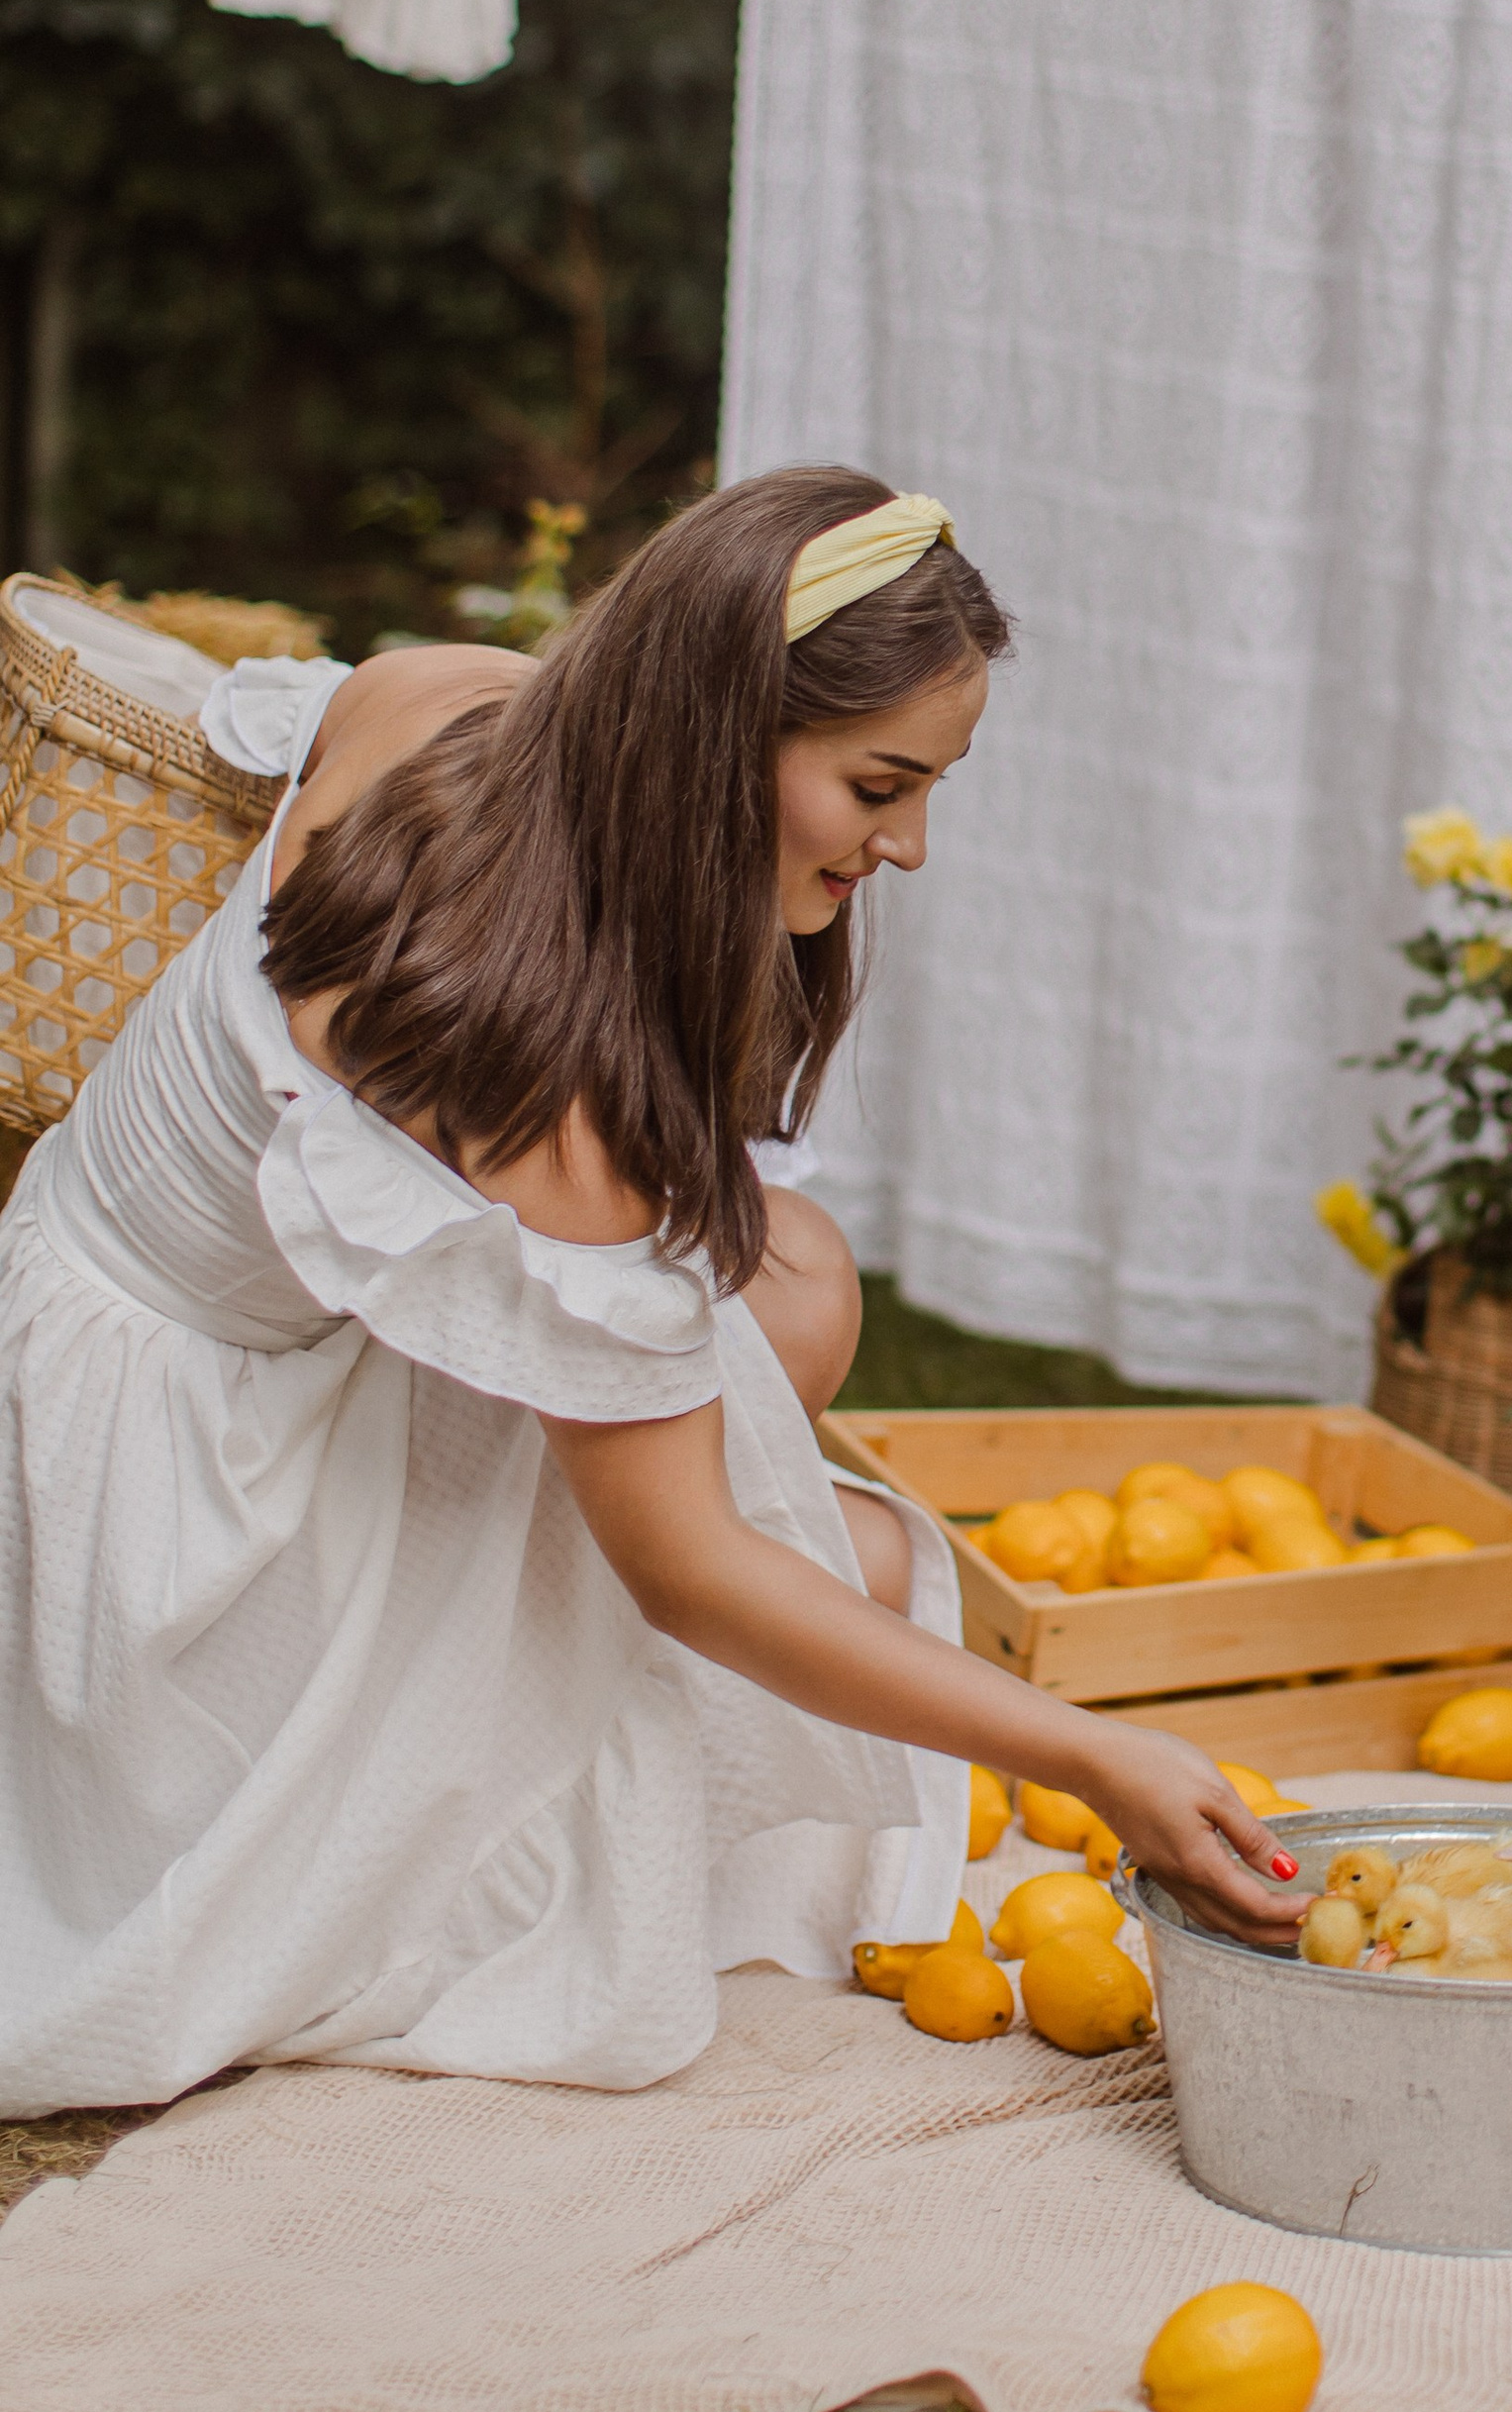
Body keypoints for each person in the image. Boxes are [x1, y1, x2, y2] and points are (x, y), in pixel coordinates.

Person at [0, 468, 1296, 2122]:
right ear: (715, 732)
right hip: (156, 1496)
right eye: (879, 784)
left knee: (801, 1281)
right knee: (853, 1573)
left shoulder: (456, 702)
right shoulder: (556, 1078)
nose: (907, 844)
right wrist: (1094, 1756)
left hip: (81, 1301)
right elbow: (691, 1572)